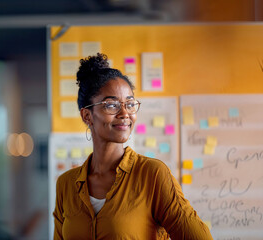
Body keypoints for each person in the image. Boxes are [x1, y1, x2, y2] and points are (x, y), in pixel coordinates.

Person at [53, 53, 213, 239]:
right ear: (87, 115)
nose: (125, 113)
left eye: (129, 104)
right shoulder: (66, 184)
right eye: (111, 105)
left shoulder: (152, 175)